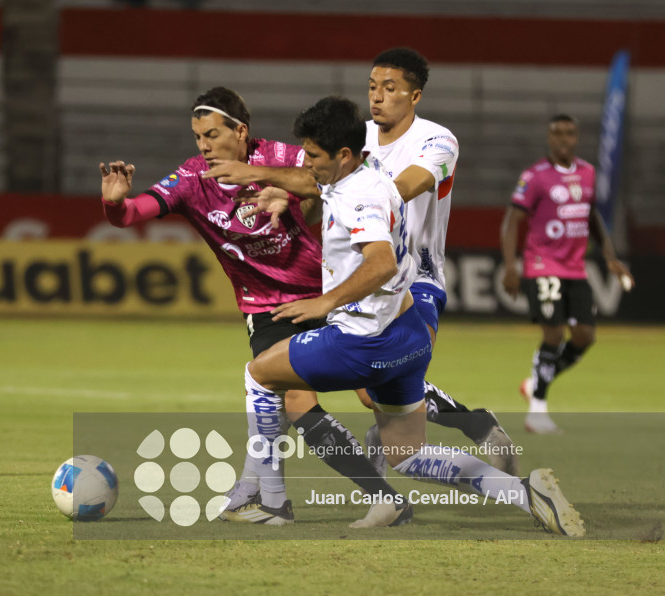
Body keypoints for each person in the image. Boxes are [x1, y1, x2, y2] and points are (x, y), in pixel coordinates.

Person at [227, 96, 584, 534]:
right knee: (408, 455)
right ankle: (528, 492)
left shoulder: (357, 198)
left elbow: (381, 263)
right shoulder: (371, 170)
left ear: (342, 155)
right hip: (406, 332)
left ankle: (270, 500)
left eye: (314, 157)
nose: (308, 165)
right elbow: (313, 183)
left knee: (260, 375)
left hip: (363, 340)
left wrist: (325, 302)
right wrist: (262, 174)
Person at [100, 86, 409, 526]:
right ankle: (299, 500)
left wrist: (260, 177)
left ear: (241, 131)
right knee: (293, 401)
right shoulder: (192, 180)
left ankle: (465, 430)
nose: (204, 145)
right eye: (197, 137)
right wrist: (114, 205)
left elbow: (326, 179)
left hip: (322, 294)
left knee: (367, 395)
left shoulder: (280, 156)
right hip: (264, 309)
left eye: (211, 134)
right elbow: (134, 213)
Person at [204, 47, 519, 476]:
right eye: (372, 87)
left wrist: (272, 176)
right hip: (364, 277)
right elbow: (324, 188)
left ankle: (411, 466)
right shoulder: (355, 137)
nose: (377, 97)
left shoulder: (437, 141)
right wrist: (300, 193)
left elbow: (394, 190)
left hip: (417, 280)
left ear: (415, 96)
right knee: (374, 393)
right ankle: (462, 435)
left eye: (390, 88)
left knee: (372, 386)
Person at [500, 113, 634, 434]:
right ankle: (538, 412)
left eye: (570, 133)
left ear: (576, 138)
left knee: (585, 337)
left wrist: (610, 257)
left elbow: (591, 217)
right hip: (542, 264)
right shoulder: (535, 176)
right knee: (553, 334)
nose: (564, 139)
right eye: (557, 133)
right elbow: (511, 222)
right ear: (550, 138)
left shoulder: (588, 173)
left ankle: (535, 382)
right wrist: (510, 267)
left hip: (575, 268)